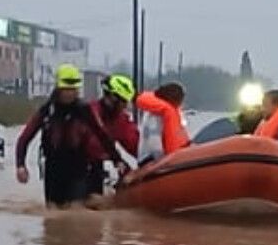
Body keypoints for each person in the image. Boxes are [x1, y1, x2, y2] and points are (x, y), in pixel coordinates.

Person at [14, 65, 129, 207]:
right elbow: (25, 138)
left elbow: (102, 136)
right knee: (53, 213)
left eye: (74, 89)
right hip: (53, 169)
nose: (70, 93)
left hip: (78, 169)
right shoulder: (47, 111)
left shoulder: (84, 110)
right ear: (58, 89)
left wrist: (117, 160)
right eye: (66, 89)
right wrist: (20, 165)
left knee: (75, 210)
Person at [134, 81, 189, 162]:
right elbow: (155, 145)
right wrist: (165, 161)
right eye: (180, 99)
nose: (181, 103)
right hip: (151, 162)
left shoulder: (170, 113)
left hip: (167, 159)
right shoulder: (154, 117)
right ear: (172, 99)